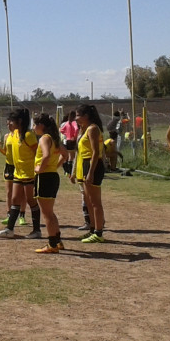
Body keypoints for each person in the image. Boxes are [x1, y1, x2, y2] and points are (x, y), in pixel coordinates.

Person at [0, 108, 41, 239]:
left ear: (19, 121)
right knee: (15, 200)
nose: (9, 123)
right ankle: (9, 229)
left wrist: (38, 168)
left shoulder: (28, 136)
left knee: (31, 201)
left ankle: (37, 230)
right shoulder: (13, 134)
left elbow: (38, 152)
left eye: (12, 121)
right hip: (17, 173)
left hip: (29, 174)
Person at [71, 103, 106, 242]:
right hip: (84, 165)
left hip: (92, 165)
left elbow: (96, 152)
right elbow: (79, 151)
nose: (76, 118)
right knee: (88, 201)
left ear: (86, 116)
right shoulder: (84, 129)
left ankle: (98, 232)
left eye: (78, 115)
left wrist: (91, 172)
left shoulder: (92, 129)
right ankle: (92, 229)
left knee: (95, 202)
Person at [32, 113, 66, 253]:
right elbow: (66, 155)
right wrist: (55, 167)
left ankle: (52, 244)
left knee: (46, 213)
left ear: (41, 126)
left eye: (34, 125)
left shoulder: (44, 138)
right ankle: (57, 241)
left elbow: (46, 155)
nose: (33, 128)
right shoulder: (54, 138)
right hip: (53, 176)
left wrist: (40, 168)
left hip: (44, 177)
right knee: (50, 212)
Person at [0, 114, 25, 226]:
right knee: (9, 192)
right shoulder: (7, 136)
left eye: (10, 123)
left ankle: (22, 215)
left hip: (19, 166)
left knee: (21, 193)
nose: (8, 126)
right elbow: (6, 153)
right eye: (7, 124)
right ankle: (9, 214)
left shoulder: (20, 135)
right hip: (9, 166)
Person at [59, 110, 79, 176]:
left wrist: (66, 134)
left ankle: (67, 171)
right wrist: (75, 137)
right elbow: (76, 129)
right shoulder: (74, 122)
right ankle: (71, 172)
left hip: (67, 140)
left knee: (67, 156)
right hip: (72, 140)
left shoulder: (67, 123)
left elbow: (61, 130)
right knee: (72, 156)